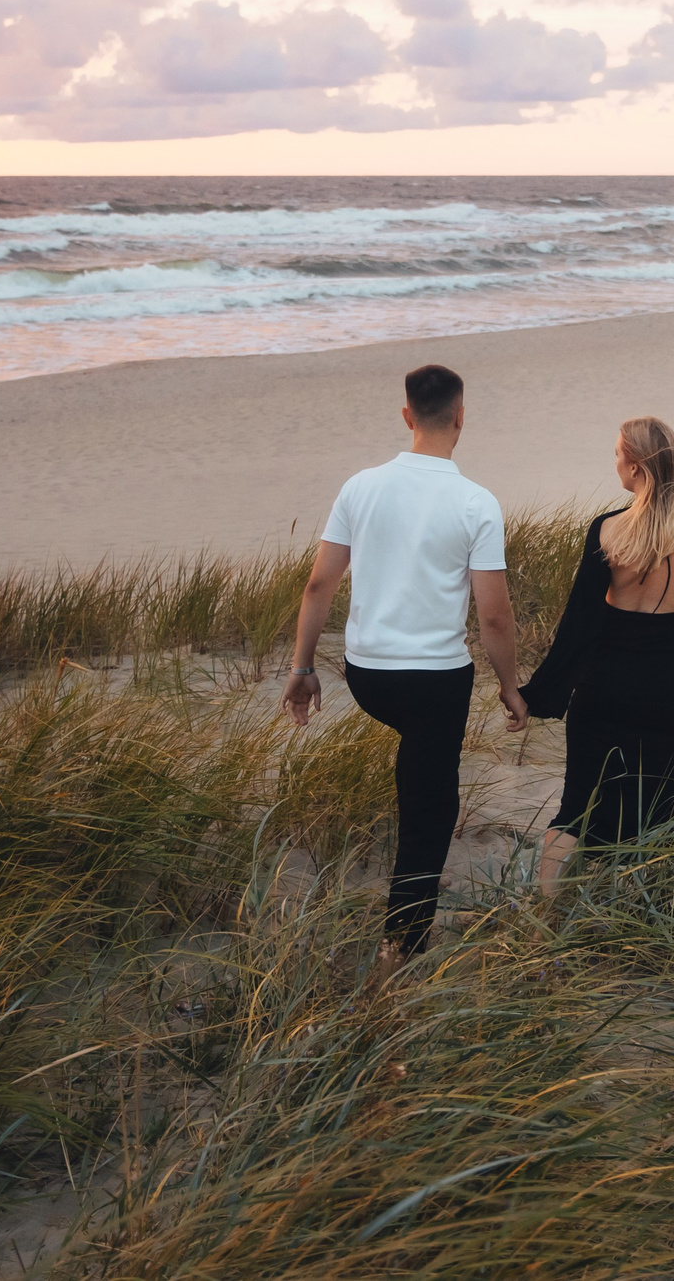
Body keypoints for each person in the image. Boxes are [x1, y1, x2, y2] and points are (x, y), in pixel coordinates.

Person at [283, 364, 526, 968]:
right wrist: (511, 686)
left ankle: (415, 882)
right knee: (431, 806)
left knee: (416, 768)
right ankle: (402, 944)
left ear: (407, 416)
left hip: (368, 677)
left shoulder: (359, 486)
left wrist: (302, 668)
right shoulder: (476, 502)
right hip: (436, 682)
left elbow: (318, 586)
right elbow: (494, 617)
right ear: (461, 417)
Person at [520, 416, 674, 897]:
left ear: (635, 468)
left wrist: (536, 695)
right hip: (668, 688)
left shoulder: (606, 530)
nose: (614, 462)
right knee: (670, 797)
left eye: (617, 454)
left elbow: (578, 625)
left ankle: (541, 922)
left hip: (603, 683)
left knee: (576, 805)